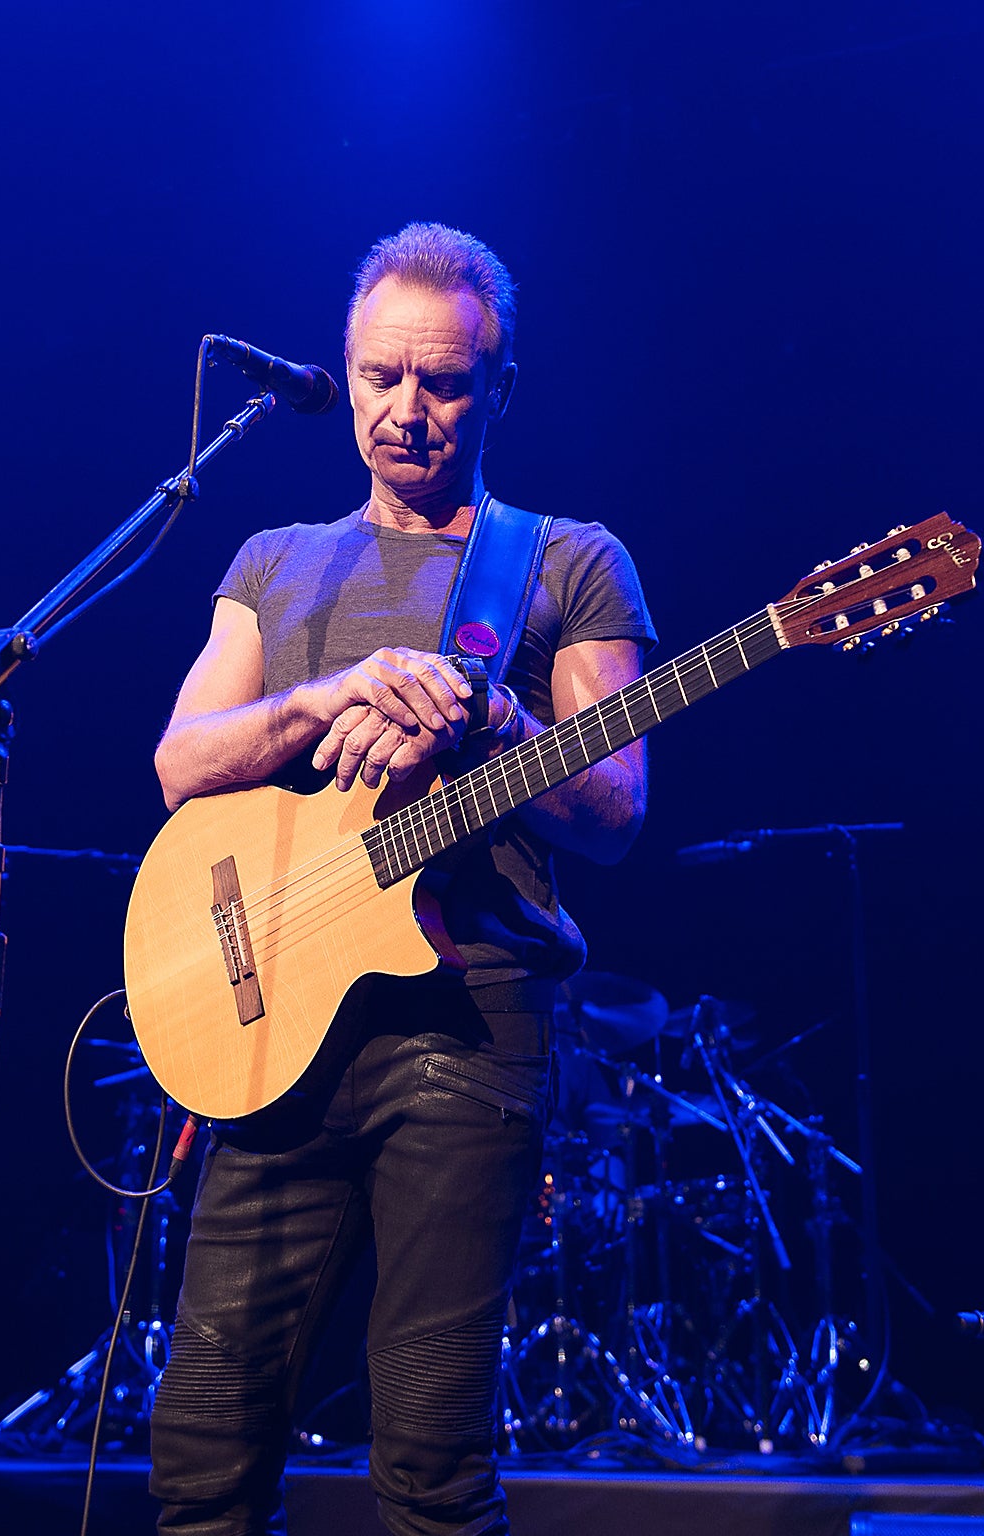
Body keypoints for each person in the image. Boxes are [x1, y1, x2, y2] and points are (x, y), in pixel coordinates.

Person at [146, 222, 654, 1534]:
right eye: (381, 377)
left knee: (429, 1464)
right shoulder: (270, 559)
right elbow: (181, 765)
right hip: (275, 1027)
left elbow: (613, 810)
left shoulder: (564, 560)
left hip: (467, 1028)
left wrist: (493, 720)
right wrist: (328, 698)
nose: (407, 411)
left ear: (500, 390)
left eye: (443, 383)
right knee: (201, 1452)